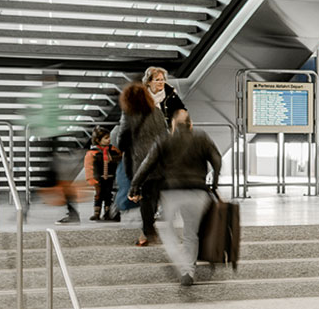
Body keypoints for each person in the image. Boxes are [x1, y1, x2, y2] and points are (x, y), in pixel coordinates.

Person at [133, 109, 222, 287]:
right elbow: (217, 159)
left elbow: (147, 164)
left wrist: (135, 185)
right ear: (191, 124)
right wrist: (214, 183)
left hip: (172, 192)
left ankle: (182, 264)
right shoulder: (202, 137)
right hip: (198, 192)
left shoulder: (164, 138)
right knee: (191, 233)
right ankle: (188, 270)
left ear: (172, 124)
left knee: (168, 231)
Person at [119, 82, 169, 247]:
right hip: (160, 159)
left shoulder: (129, 114)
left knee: (146, 197)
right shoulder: (158, 112)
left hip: (140, 161)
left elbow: (123, 139)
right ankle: (148, 228)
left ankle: (148, 230)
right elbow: (165, 134)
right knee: (153, 195)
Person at [86, 129, 119, 221]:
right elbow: (89, 166)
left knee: (108, 195)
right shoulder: (93, 152)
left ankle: (107, 213)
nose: (109, 140)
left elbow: (120, 157)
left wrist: (113, 159)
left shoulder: (113, 150)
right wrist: (91, 178)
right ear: (98, 140)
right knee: (98, 195)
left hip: (110, 177)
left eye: (109, 138)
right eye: (106, 138)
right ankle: (97, 213)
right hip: (99, 178)